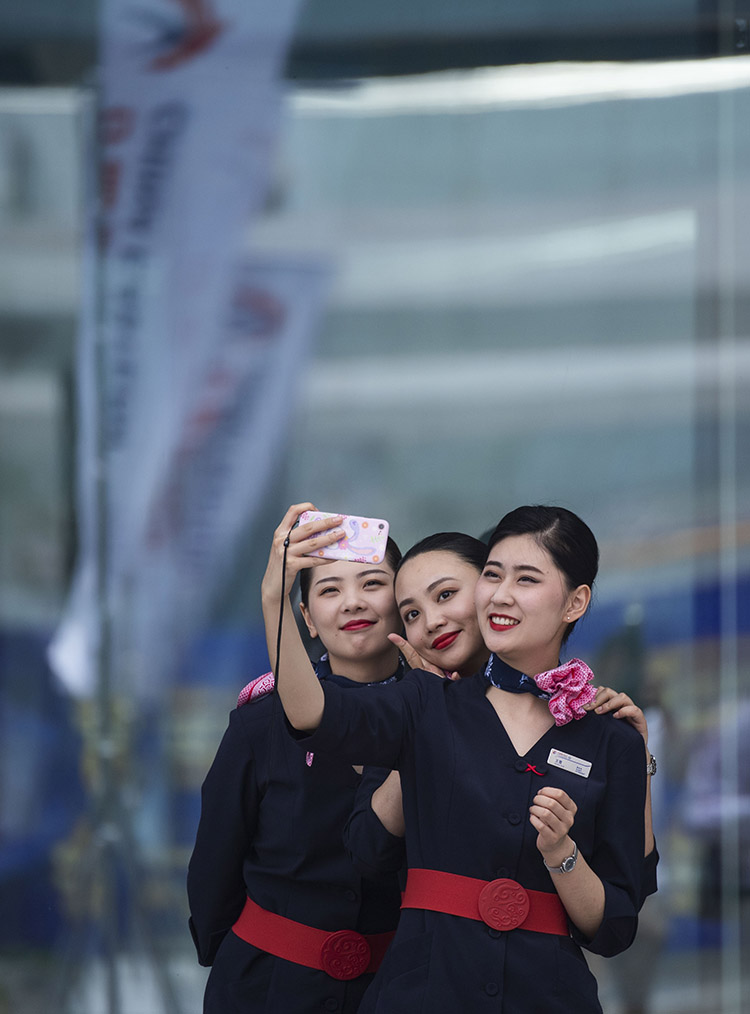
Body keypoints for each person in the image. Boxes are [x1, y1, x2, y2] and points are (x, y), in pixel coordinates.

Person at [268, 504, 650, 1013]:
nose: (502, 594)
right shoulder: (423, 703)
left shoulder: (612, 737)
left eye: (526, 579)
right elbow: (312, 714)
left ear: (575, 602)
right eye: (493, 575)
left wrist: (562, 852)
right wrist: (274, 597)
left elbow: (616, 925)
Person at [344, 531, 658, 899]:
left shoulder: (575, 710)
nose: (431, 622)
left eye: (446, 595)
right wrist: (426, 721)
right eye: (411, 614)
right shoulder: (406, 710)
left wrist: (639, 761)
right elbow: (367, 851)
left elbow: (632, 886)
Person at [187, 508, 406, 1014]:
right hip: (265, 988)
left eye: (373, 583)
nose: (353, 602)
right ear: (305, 617)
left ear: (404, 601)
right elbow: (214, 867)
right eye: (329, 590)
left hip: (396, 990)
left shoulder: (444, 716)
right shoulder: (259, 726)